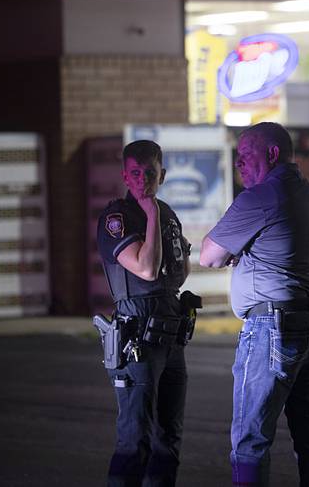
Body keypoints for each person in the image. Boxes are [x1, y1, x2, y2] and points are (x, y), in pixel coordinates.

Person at [200, 122, 309, 487]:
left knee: (250, 441)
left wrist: (239, 250)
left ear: (273, 154)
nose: (239, 164)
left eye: (246, 155)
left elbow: (209, 256)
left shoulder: (262, 197)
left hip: (275, 330)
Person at [96, 139, 194, 487]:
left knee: (168, 438)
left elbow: (180, 273)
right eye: (135, 173)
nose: (142, 181)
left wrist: (158, 216)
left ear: (162, 174)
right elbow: (148, 269)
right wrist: (151, 214)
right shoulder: (117, 218)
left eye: (149, 173)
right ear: (125, 175)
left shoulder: (167, 214)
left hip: (170, 337)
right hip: (137, 338)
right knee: (135, 438)